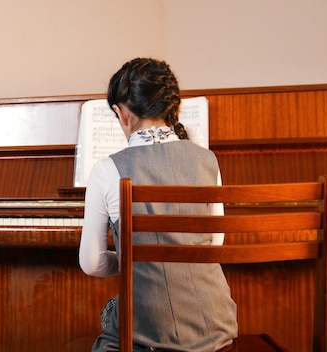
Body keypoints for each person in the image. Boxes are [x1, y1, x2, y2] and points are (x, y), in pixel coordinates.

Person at [79, 58, 238, 352]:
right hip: (218, 332)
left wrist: (131, 258)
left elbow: (91, 263)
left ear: (122, 113)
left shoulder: (107, 170)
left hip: (148, 339)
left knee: (113, 320)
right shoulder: (207, 160)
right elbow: (214, 244)